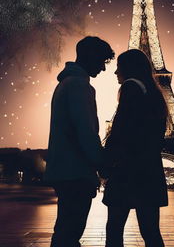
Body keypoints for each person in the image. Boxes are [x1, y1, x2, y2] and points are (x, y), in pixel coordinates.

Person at [44, 36, 114, 247]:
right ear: (91, 57)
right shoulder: (78, 85)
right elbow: (85, 131)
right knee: (70, 232)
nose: (103, 68)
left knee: (65, 230)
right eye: (102, 61)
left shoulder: (67, 83)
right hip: (76, 172)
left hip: (65, 170)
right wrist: (102, 163)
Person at [101, 49, 169, 247]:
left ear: (129, 68)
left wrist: (106, 162)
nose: (115, 73)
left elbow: (121, 130)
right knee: (150, 231)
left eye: (118, 67)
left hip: (127, 172)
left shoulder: (131, 87)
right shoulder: (154, 94)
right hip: (149, 171)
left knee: (114, 228)